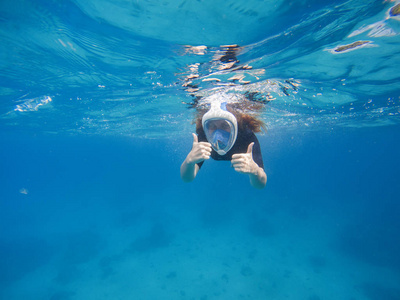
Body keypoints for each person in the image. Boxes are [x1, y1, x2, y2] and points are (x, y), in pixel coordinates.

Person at [180, 100, 267, 189]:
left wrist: (255, 171)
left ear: (234, 127)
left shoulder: (246, 136)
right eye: (212, 126)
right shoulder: (204, 137)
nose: (218, 134)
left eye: (225, 125)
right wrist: (189, 162)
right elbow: (187, 178)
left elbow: (261, 184)